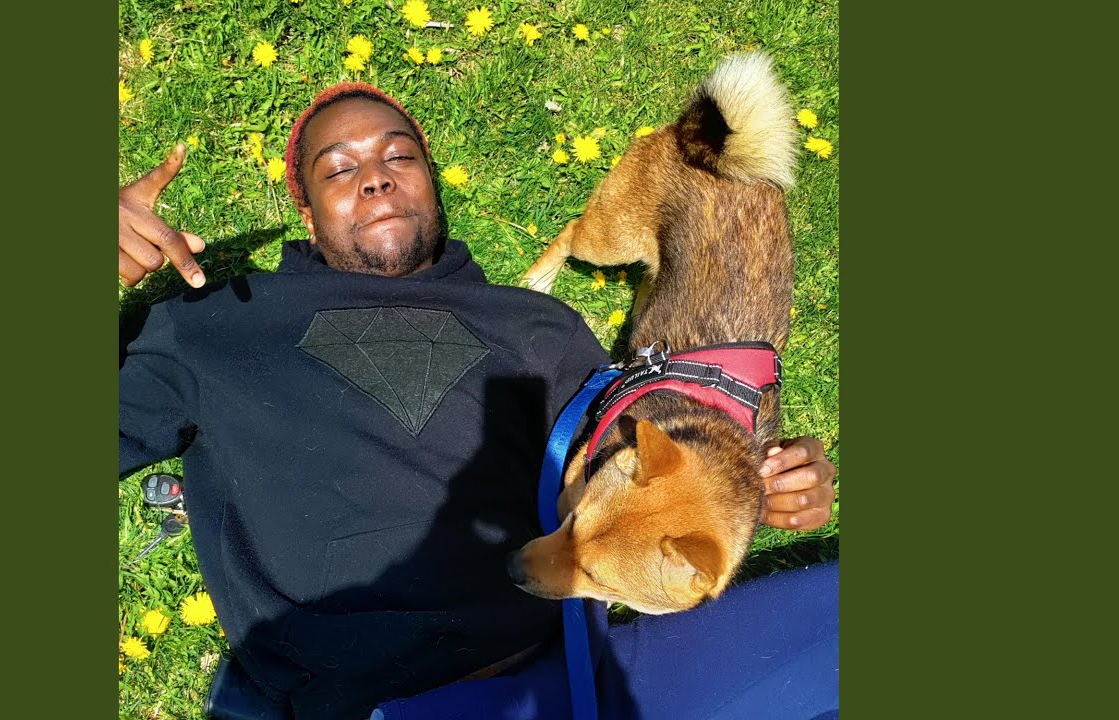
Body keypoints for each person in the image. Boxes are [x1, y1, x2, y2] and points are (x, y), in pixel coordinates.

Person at [120, 83, 837, 720]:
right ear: (307, 215)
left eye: (399, 157)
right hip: (363, 697)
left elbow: (634, 480)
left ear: (431, 185)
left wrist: (759, 487)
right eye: (338, 169)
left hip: (579, 681)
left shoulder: (540, 326)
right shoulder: (216, 326)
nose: (375, 177)